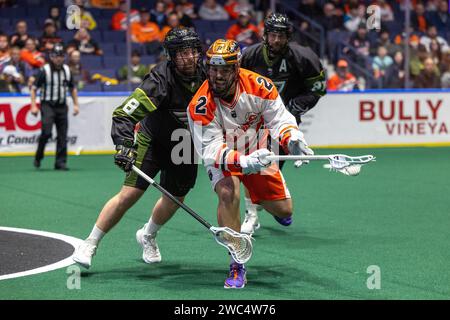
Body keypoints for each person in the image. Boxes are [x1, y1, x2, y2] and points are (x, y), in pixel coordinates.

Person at [72, 28, 206, 269]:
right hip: (152, 140)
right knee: (130, 194)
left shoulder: (209, 76)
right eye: (182, 53)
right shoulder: (159, 80)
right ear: (171, 56)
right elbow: (124, 114)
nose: (189, 57)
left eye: (193, 51)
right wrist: (124, 145)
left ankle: (148, 235)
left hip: (185, 143)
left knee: (175, 197)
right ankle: (90, 243)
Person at [187, 39, 312, 288]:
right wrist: (243, 162)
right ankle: (236, 264)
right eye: (213, 69)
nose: (218, 76)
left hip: (257, 148)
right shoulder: (200, 104)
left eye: (224, 70)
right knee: (227, 191)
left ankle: (258, 197)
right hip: (224, 156)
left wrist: (293, 138)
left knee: (284, 210)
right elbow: (211, 150)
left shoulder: (259, 86)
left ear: (237, 68)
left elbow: (279, 119)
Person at [239, 12, 326, 234]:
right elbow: (236, 84)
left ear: (288, 36)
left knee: (272, 168)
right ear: (265, 35)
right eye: (272, 35)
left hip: (282, 121)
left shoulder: (303, 57)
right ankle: (251, 215)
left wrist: (294, 107)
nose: (276, 40)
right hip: (254, 122)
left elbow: (318, 89)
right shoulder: (249, 55)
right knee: (255, 166)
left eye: (281, 35)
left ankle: (273, 205)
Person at [30, 43, 80, 170]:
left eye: (61, 56)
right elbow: (34, 88)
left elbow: (72, 88)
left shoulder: (67, 70)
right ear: (51, 57)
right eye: (56, 56)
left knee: (62, 134)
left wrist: (75, 104)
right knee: (46, 132)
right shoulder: (44, 70)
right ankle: (38, 156)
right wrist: (33, 106)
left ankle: (60, 162)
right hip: (47, 105)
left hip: (62, 106)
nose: (58, 58)